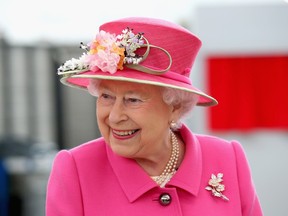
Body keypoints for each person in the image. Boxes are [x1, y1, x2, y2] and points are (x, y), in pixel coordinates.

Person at [46, 17, 263, 215]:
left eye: (133, 100)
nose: (114, 117)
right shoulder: (76, 169)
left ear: (175, 106)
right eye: (106, 96)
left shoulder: (227, 158)